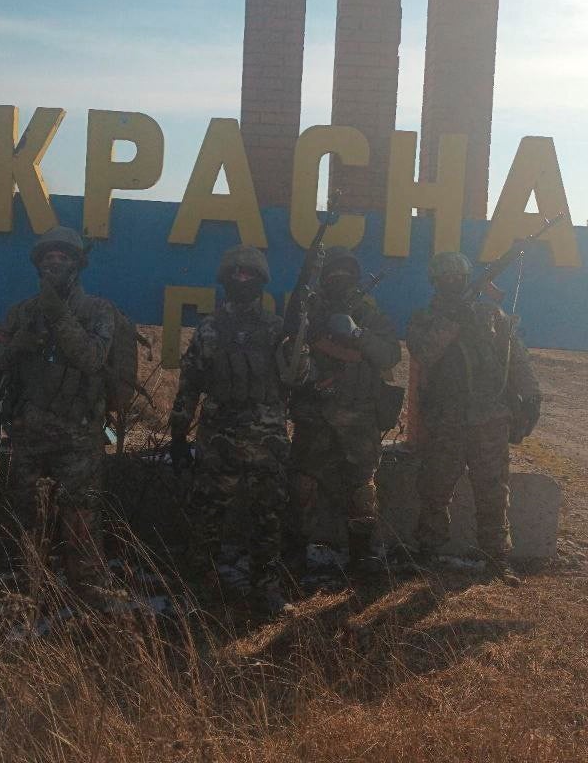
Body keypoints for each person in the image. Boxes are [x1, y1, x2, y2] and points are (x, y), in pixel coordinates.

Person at [0, 226, 116, 598]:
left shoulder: (97, 310)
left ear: (76, 266)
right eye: (47, 260)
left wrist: (57, 315)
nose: (54, 265)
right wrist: (16, 346)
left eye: (62, 259)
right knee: (27, 517)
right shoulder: (21, 313)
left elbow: (92, 357)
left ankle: (89, 599)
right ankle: (30, 592)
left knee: (82, 521)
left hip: (79, 438)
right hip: (28, 435)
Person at [169, 244, 293, 616]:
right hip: (218, 438)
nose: (242, 279)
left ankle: (265, 587)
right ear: (225, 279)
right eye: (236, 274)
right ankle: (201, 588)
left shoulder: (277, 329)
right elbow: (190, 382)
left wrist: (299, 348)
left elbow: (297, 379)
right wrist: (178, 432)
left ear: (260, 281)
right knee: (206, 516)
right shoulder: (209, 328)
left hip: (267, 439)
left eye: (249, 274)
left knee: (268, 517)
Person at [406, 251, 542, 585]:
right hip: (445, 419)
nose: (452, 283)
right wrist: (453, 318)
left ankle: (496, 559)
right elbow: (424, 352)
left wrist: (532, 393)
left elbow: (516, 356)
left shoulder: (489, 315)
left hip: (489, 418)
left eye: (458, 278)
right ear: (436, 282)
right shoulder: (426, 318)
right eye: (445, 278)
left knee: (493, 491)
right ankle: (428, 553)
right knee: (435, 488)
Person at [283, 245, 401, 578]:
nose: (340, 279)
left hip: (359, 418)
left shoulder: (370, 315)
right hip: (314, 415)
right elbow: (290, 351)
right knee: (301, 485)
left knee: (362, 489)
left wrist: (357, 333)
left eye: (346, 273)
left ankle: (363, 556)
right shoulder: (309, 311)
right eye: (333, 273)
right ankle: (293, 553)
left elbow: (389, 355)